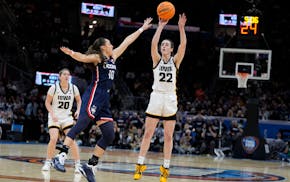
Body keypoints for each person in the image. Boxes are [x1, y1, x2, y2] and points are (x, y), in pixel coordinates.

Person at [52, 17, 153, 182]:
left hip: (105, 99)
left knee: (109, 134)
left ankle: (90, 166)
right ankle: (61, 156)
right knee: (82, 124)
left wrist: (142, 28)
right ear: (103, 47)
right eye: (110, 43)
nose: (112, 45)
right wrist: (70, 53)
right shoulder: (98, 57)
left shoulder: (113, 56)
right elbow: (83, 58)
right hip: (94, 94)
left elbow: (127, 42)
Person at [133, 13, 187, 182]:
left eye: (166, 45)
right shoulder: (156, 59)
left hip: (170, 98)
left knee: (169, 136)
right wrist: (161, 26)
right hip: (156, 97)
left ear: (171, 49)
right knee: (148, 133)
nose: (163, 46)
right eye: (162, 45)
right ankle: (140, 166)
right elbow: (153, 43)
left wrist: (181, 28)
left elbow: (183, 44)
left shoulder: (175, 61)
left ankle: (165, 169)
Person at [42, 68, 82, 173]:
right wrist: (52, 113)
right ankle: (48, 162)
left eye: (68, 74)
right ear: (60, 76)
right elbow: (47, 103)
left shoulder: (74, 88)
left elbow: (79, 101)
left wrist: (78, 110)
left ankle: (77, 164)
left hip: (67, 117)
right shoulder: (53, 88)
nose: (66, 76)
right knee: (54, 138)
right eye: (64, 74)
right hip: (54, 116)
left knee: (71, 140)